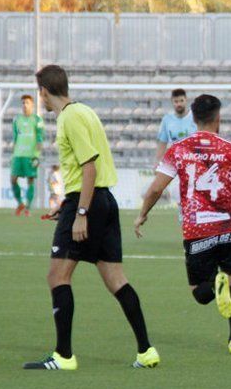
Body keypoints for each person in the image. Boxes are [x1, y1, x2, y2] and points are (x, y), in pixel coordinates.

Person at [23, 65, 159, 370]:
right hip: (103, 201)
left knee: (57, 276)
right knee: (115, 280)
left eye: (39, 92)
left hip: (89, 203)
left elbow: (89, 167)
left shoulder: (69, 118)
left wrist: (80, 212)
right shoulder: (85, 112)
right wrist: (67, 201)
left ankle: (64, 356)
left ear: (44, 91)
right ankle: (146, 350)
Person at [135, 94, 231, 356]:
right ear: (218, 118)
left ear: (192, 118)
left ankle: (217, 283)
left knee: (200, 294)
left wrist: (142, 214)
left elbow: (156, 189)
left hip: (197, 231)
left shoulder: (178, 149)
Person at [10, 94, 44, 216]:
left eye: (27, 103)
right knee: (13, 179)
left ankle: (28, 208)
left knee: (30, 181)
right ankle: (20, 203)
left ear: (32, 105)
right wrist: (13, 154)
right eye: (23, 103)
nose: (25, 105)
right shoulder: (16, 120)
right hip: (18, 155)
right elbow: (15, 138)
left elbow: (40, 140)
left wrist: (37, 155)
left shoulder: (37, 120)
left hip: (30, 156)